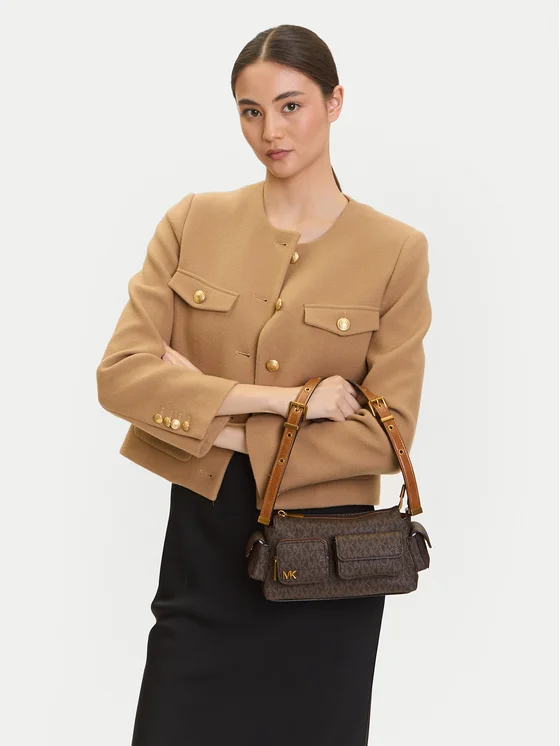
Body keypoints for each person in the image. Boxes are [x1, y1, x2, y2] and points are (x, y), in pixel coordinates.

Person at [96, 23, 432, 746]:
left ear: (334, 102)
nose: (270, 131)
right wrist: (278, 403)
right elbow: (121, 376)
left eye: (290, 106)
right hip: (204, 540)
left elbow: (389, 433)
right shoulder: (192, 222)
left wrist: (210, 417)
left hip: (329, 558)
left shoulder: (395, 251)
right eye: (251, 111)